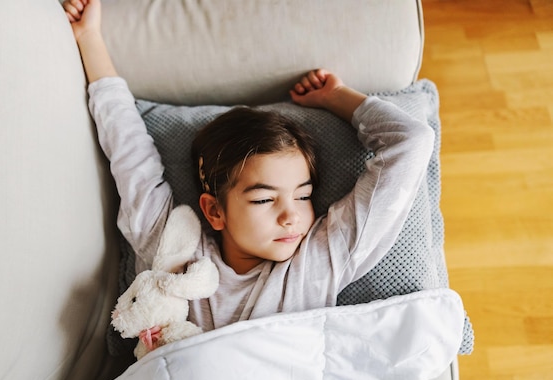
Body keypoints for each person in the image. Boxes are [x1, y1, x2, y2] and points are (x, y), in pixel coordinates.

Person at [63, 0, 434, 331]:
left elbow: (411, 142)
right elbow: (128, 149)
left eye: (303, 196)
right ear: (214, 210)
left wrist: (338, 98)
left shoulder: (318, 263)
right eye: (263, 200)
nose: (291, 217)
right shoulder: (173, 250)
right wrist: (90, 37)